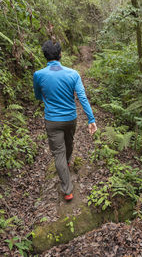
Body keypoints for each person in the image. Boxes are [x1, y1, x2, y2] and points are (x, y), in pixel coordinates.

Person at [33, 40, 97, 201]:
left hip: (52, 120)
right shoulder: (73, 74)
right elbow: (82, 97)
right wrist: (91, 119)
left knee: (58, 154)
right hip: (70, 118)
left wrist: (48, 99)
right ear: (60, 54)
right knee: (69, 143)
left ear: (45, 56)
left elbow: (38, 95)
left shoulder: (38, 75)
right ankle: (67, 162)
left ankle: (67, 190)